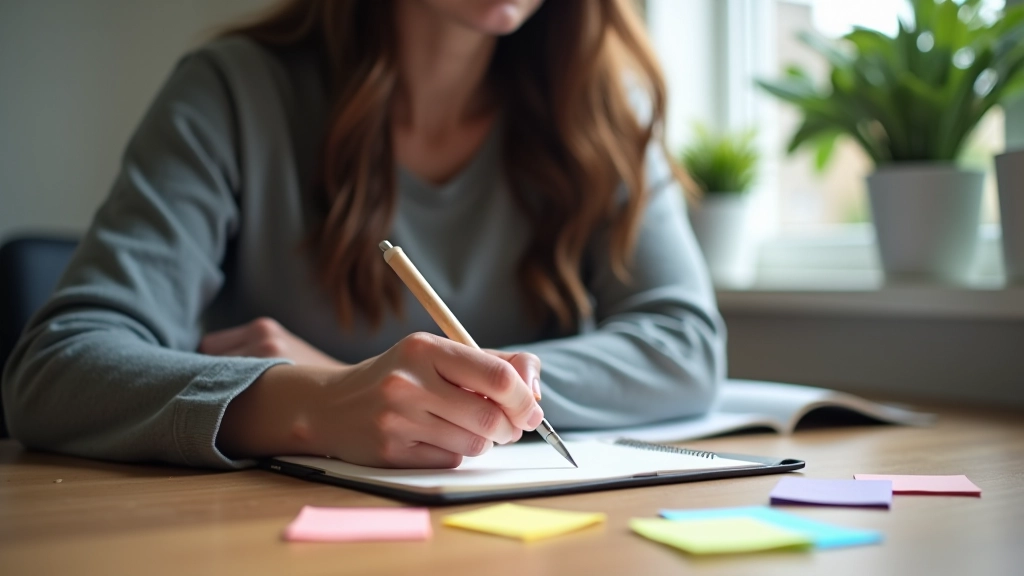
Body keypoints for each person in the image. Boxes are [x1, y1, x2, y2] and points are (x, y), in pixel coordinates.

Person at [2, 0, 725, 470]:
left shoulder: (601, 114)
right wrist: (309, 402)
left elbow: (684, 343)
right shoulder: (233, 92)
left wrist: (416, 391)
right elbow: (54, 369)